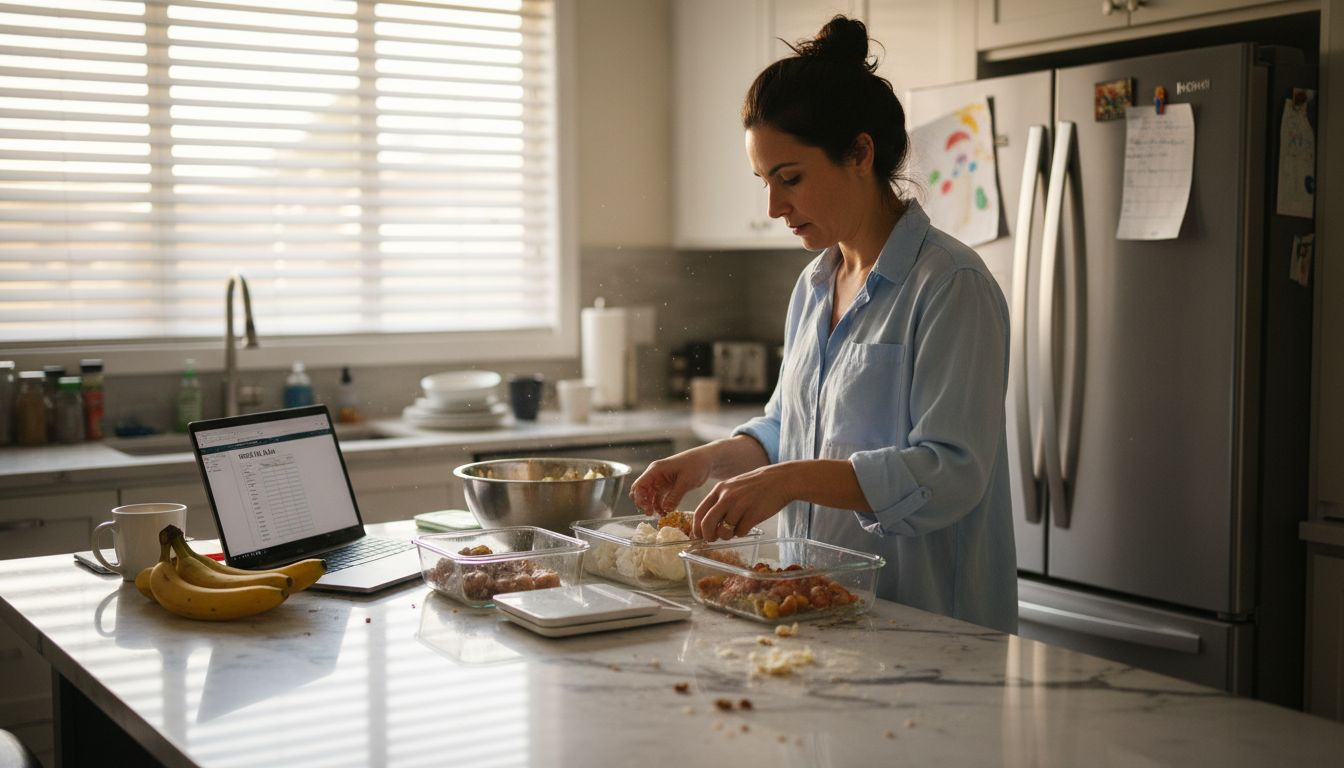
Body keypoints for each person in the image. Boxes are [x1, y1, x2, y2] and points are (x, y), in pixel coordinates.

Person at [629, 16, 1017, 633]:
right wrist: (711, 461)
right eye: (765, 182)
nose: (773, 206)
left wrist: (791, 481)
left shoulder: (949, 285)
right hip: (814, 614)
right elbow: (792, 428)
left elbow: (952, 473)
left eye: (791, 178)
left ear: (860, 153)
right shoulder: (815, 285)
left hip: (929, 627)